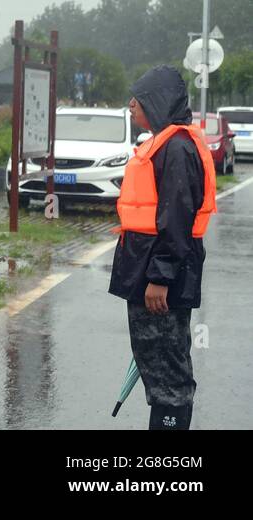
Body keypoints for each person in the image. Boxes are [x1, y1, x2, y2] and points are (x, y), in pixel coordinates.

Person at [112, 65, 216, 430]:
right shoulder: (166, 143)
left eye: (136, 99)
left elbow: (177, 220)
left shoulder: (176, 148)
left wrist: (161, 276)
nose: (130, 105)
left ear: (155, 102)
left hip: (160, 281)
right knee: (156, 368)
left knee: (167, 373)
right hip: (148, 274)